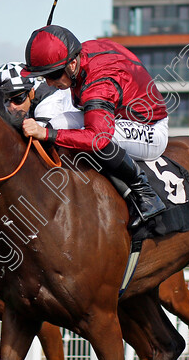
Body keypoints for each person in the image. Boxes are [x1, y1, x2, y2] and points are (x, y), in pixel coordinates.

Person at [20, 25, 168, 228]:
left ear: (72, 65)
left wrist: (47, 134)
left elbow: (98, 138)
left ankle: (146, 194)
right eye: (43, 76)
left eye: (52, 75)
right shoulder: (80, 54)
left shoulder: (99, 83)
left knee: (95, 138)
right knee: (58, 122)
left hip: (150, 129)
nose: (49, 83)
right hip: (120, 115)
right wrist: (48, 129)